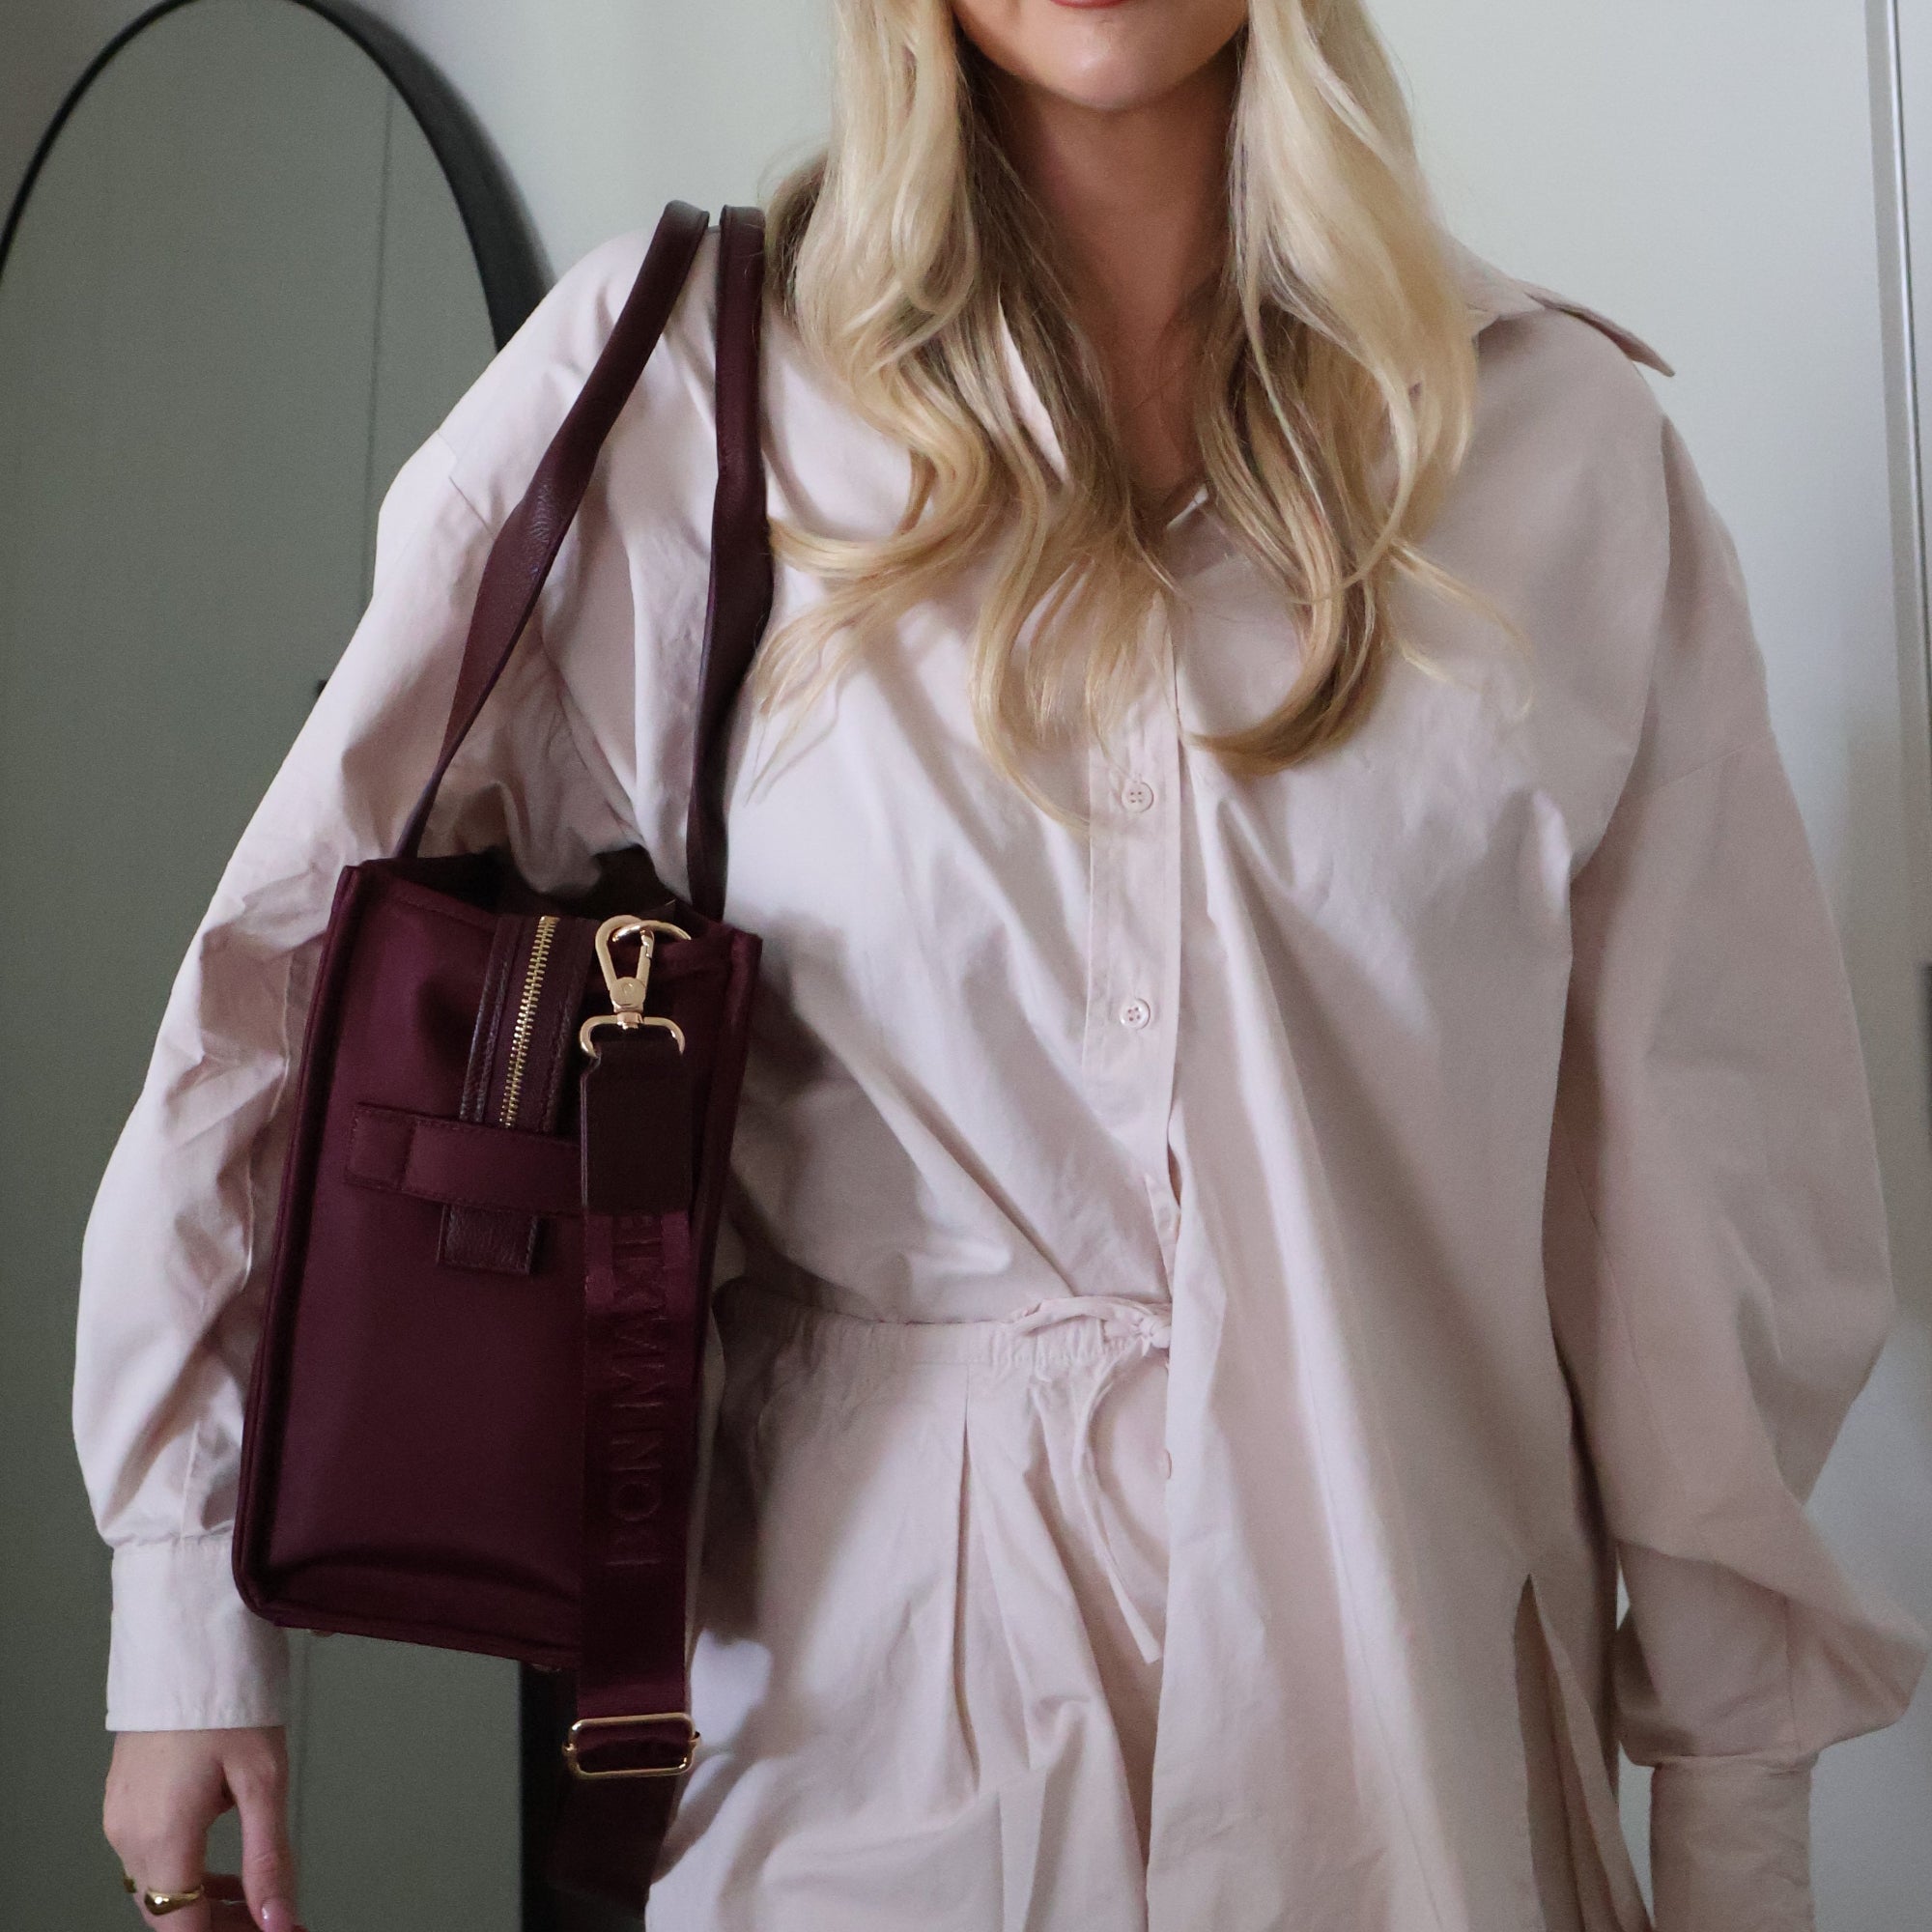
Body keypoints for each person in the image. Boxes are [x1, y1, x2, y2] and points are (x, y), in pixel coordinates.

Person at [78, 2, 1929, 1928]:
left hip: (1417, 1778)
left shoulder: (1555, 448)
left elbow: (1697, 1203)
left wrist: (1737, 1833)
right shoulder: (687, 390)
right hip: (861, 1771)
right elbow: (289, 972)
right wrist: (187, 1602)